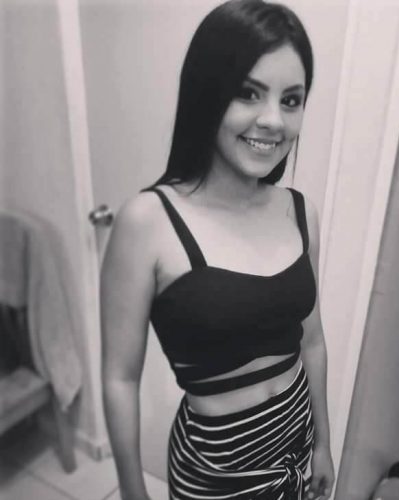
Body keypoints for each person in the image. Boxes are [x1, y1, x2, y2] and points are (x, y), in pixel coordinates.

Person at [101, 0, 335, 498]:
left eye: (291, 100)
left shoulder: (300, 211)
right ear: (207, 93)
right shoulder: (148, 221)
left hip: (296, 445)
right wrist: (131, 492)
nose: (273, 120)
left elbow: (312, 340)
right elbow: (120, 378)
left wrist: (323, 444)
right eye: (248, 93)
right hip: (216, 473)